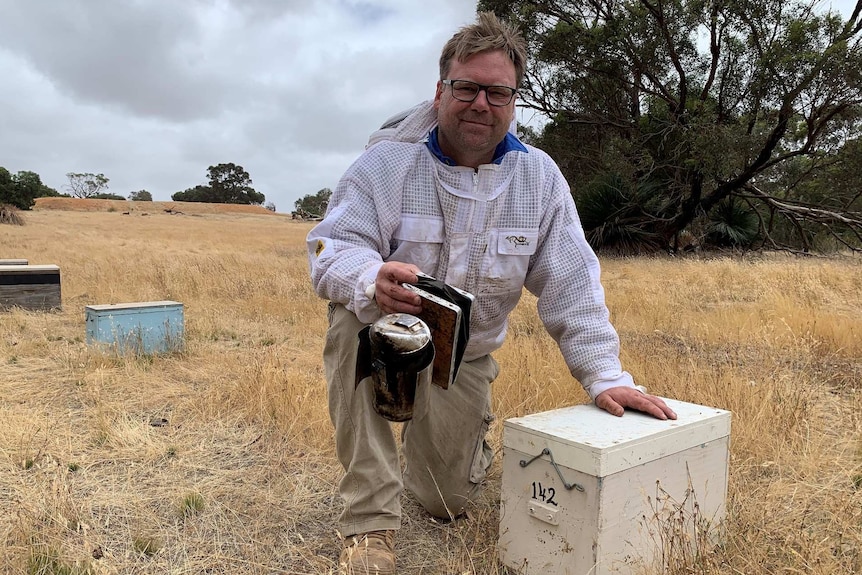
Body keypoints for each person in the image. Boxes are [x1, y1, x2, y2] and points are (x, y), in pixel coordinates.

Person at [306, 11, 677, 575]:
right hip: (390, 332)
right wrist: (368, 279)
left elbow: (572, 283)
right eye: (467, 87)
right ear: (440, 90)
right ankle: (369, 526)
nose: (481, 103)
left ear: (514, 100)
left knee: (446, 502)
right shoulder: (385, 163)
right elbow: (333, 247)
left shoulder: (541, 179)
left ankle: (456, 447)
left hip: (466, 356)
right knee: (352, 320)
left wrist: (606, 377)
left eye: (498, 92)